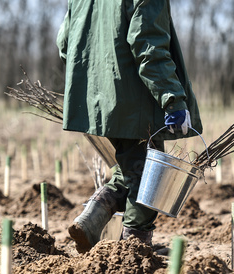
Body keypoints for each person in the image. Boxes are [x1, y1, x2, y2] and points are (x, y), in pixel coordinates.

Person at [56, 0, 202, 253]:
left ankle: (90, 222)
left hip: (95, 98)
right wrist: (173, 100)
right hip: (132, 101)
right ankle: (133, 250)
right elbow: (148, 46)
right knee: (148, 176)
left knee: (131, 169)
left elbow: (65, 45)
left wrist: (95, 78)